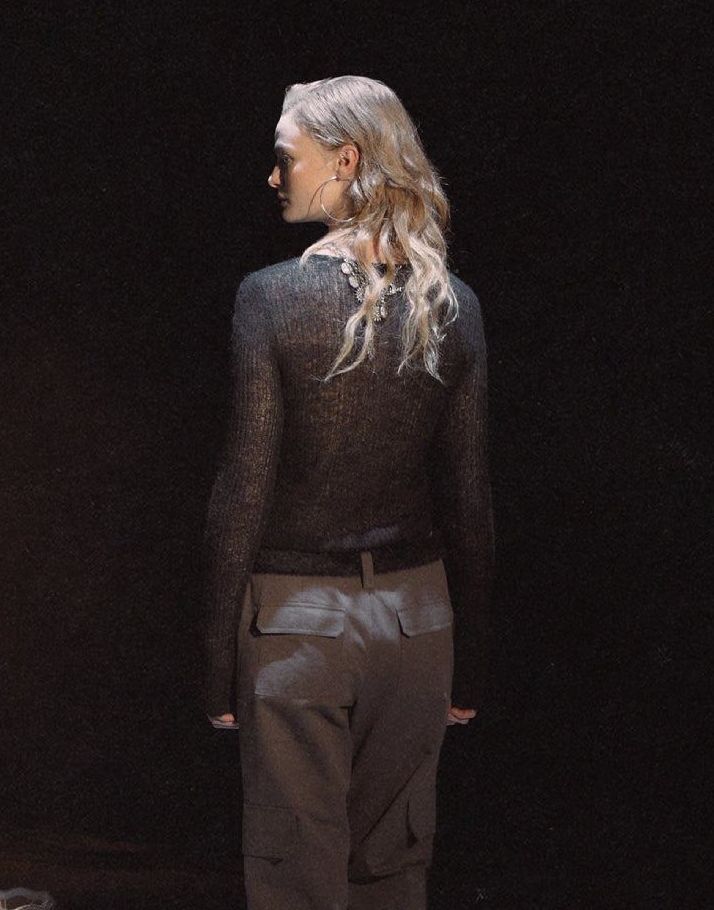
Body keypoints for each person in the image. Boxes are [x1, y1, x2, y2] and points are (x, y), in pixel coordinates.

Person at [204, 75, 494, 910]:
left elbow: (243, 493)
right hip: (419, 625)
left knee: (298, 879)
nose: (272, 177)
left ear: (346, 160)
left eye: (285, 158)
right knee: (393, 873)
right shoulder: (456, 306)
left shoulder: (270, 298)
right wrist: (470, 668)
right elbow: (470, 502)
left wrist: (217, 666)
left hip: (297, 626)